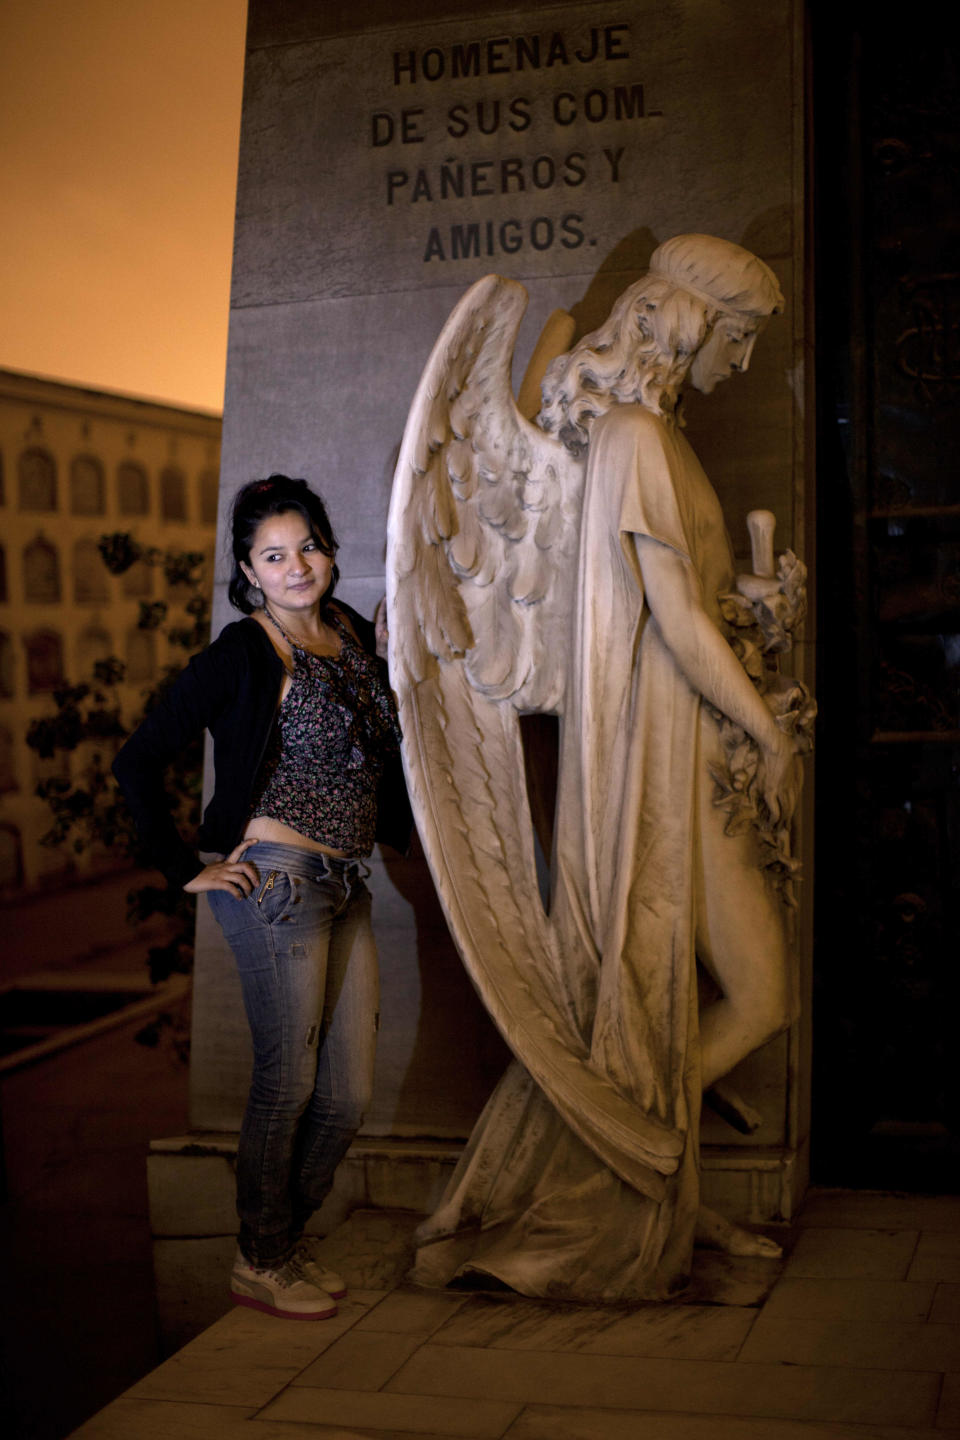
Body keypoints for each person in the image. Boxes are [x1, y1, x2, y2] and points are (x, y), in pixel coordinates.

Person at [410, 236, 803, 1299]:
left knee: (735, 995)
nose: (749, 360)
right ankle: (627, 1169)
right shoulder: (634, 439)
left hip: (688, 742)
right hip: (661, 762)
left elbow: (687, 610)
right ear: (690, 322)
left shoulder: (653, 441)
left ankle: (647, 1177)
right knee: (759, 992)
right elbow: (670, 624)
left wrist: (753, 612)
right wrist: (766, 734)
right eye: (742, 335)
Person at [113, 474, 410, 1320]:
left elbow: (376, 736)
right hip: (276, 883)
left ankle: (280, 1243)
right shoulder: (242, 653)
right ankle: (262, 1257)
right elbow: (138, 758)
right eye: (274, 555)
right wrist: (184, 868)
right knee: (289, 1081)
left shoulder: (348, 632)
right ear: (248, 570)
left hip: (346, 882)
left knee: (347, 1095)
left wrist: (388, 665)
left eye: (308, 546)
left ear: (327, 546)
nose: (297, 566)